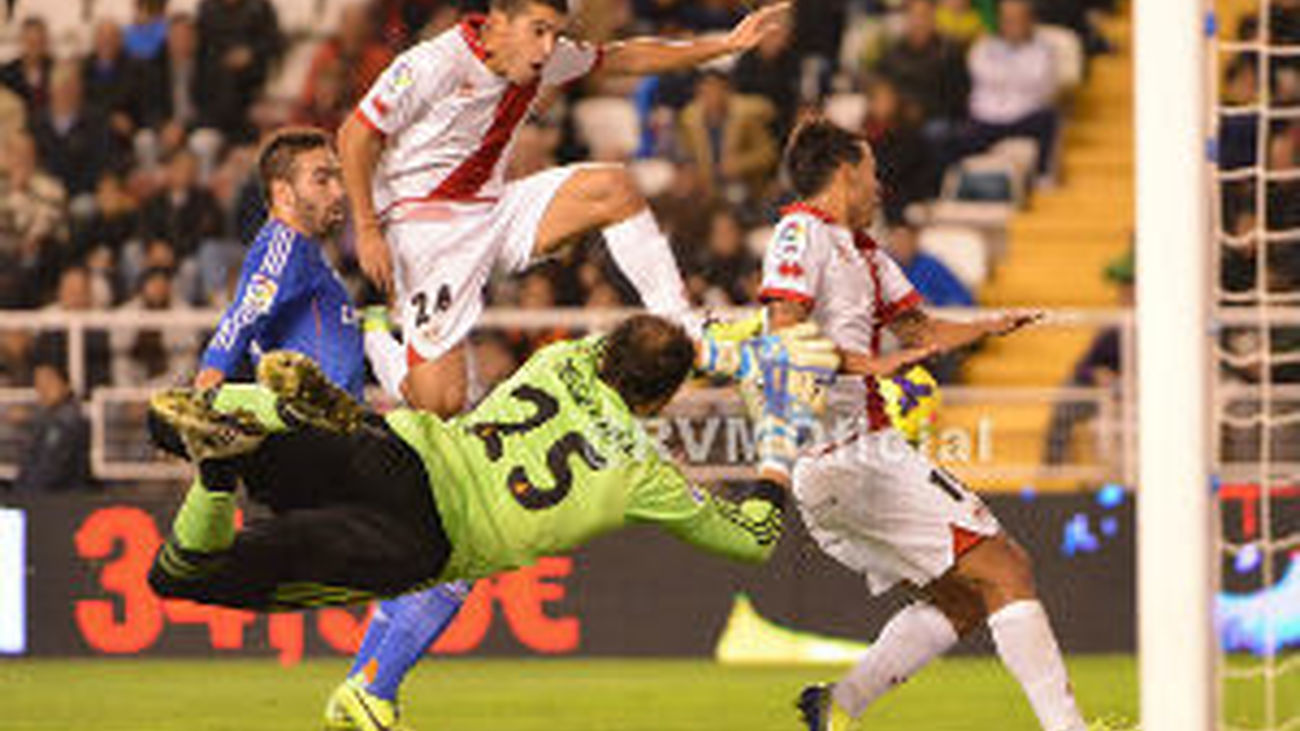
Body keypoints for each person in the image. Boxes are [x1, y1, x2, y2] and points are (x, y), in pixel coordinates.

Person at [145, 314, 826, 729]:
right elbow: (754, 538)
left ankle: (251, 420)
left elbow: (674, 343)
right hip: (417, 541)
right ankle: (217, 474)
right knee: (180, 575)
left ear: (610, 347)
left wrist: (733, 352)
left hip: (400, 448)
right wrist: (777, 442)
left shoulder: (566, 357)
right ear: (658, 399)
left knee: (169, 418)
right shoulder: (640, 475)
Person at [757, 120, 1087, 731]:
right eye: (873, 173)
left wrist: (989, 325)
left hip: (846, 464)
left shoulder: (865, 253)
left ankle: (836, 706)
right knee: (1007, 568)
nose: (881, 188)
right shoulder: (800, 229)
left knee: (962, 600)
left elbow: (922, 332)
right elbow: (783, 333)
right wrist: (867, 363)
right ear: (846, 172)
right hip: (852, 453)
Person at [338, 0, 791, 417]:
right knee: (441, 403)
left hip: (495, 209)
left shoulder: (543, 54)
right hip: (428, 230)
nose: (547, 48)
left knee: (613, 187)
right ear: (498, 21)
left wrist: (725, 45)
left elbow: (623, 57)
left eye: (555, 34)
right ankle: (377, 336)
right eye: (538, 31)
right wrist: (367, 230)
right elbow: (354, 136)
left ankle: (685, 325)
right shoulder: (432, 63)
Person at [13, 361, 91, 492]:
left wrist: (23, 494)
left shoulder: (67, 421)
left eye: (49, 382)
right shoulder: (44, 419)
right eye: (38, 384)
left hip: (59, 499)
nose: (43, 389)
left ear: (65, 384)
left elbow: (51, 468)